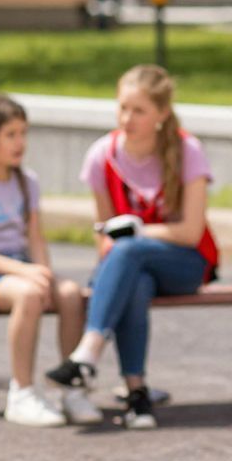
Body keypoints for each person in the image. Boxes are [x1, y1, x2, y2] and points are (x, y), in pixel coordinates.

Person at [46, 65, 216, 431]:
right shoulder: (101, 155)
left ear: (162, 114)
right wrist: (120, 253)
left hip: (185, 264)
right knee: (133, 279)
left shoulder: (188, 150)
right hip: (133, 267)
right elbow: (104, 236)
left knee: (128, 251)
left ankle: (88, 354)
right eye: (123, 107)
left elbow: (190, 232)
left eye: (139, 110)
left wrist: (139, 231)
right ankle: (137, 395)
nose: (127, 118)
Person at [0, 94, 91, 427]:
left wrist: (43, 272)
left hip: (20, 268)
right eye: (11, 134)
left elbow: (35, 238)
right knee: (28, 293)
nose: (20, 142)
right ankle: (22, 392)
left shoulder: (27, 181)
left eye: (23, 133)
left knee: (69, 294)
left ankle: (71, 388)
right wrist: (26, 273)